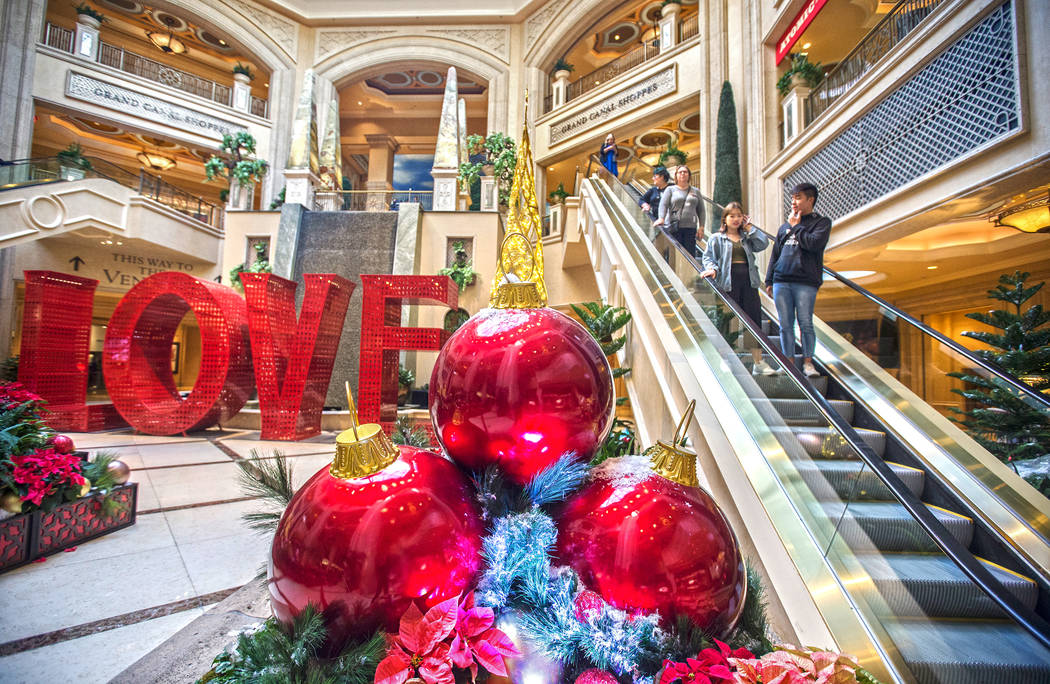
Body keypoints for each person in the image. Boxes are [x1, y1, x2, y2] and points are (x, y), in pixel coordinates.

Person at [764, 182, 832, 377]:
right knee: (785, 324)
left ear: (810, 200)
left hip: (805, 281)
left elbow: (813, 244)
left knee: (805, 322)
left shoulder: (821, 223)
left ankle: (808, 363)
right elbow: (775, 254)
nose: (794, 202)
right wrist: (769, 280)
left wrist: (795, 228)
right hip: (781, 281)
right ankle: (788, 363)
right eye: (793, 197)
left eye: (799, 198)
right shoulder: (784, 227)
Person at [700, 202, 775, 375]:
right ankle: (726, 358)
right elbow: (708, 257)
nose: (735, 219)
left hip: (749, 283)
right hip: (727, 283)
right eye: (731, 216)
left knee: (753, 322)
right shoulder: (716, 238)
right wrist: (712, 269)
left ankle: (758, 362)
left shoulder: (747, 237)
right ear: (724, 219)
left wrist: (749, 227)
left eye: (738, 215)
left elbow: (763, 243)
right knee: (727, 322)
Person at [656, 165, 705, 256]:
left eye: (685, 172)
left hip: (690, 228)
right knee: (674, 255)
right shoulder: (670, 189)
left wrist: (701, 227)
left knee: (690, 255)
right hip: (674, 227)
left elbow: (701, 210)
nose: (683, 174)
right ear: (676, 176)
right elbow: (663, 205)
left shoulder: (695, 191)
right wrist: (661, 218)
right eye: (680, 172)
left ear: (689, 175)